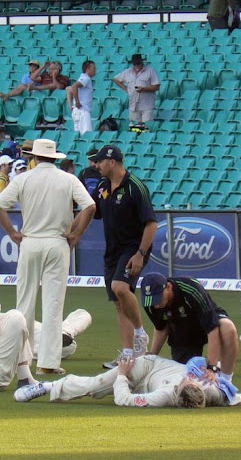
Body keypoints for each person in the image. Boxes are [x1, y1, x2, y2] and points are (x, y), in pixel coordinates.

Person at [0, 139, 96, 374]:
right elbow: (90, 207)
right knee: (53, 305)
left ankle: (22, 361)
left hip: (30, 241)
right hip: (57, 242)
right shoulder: (68, 179)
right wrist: (76, 234)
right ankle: (48, 364)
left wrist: (12, 232)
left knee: (24, 303)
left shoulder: (23, 178)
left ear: (34, 157)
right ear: (55, 157)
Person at [89, 145, 157, 368]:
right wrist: (74, 231)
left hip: (133, 249)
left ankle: (140, 333)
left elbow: (151, 223)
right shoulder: (102, 186)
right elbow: (91, 211)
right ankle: (129, 353)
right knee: (119, 303)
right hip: (112, 251)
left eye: (99, 161)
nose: (96, 165)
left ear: (112, 162)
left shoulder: (135, 187)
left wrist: (140, 254)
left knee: (120, 287)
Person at [14, 354, 241, 407]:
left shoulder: (163, 397)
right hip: (147, 366)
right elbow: (237, 398)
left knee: (99, 391)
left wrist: (123, 376)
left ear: (178, 393)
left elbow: (123, 399)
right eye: (192, 381)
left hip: (135, 377)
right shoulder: (210, 391)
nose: (188, 379)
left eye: (186, 382)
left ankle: (46, 386)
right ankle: (42, 387)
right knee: (96, 385)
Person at [140, 272, 239, 382]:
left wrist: (211, 368)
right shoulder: (150, 303)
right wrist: (153, 356)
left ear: (168, 287)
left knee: (228, 328)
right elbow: (161, 327)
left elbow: (212, 327)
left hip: (206, 319)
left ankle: (225, 380)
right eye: (152, 300)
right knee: (185, 378)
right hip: (182, 330)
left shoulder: (191, 289)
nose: (156, 305)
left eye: (158, 298)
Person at [0, 297, 92, 361]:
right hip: (19, 343)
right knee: (70, 347)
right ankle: (61, 334)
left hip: (22, 328)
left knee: (83, 314)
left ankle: (64, 333)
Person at [113, 54, 161, 129]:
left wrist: (144, 89)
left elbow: (157, 86)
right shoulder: (128, 72)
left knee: (146, 127)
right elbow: (116, 79)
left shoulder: (150, 71)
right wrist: (126, 89)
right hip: (133, 106)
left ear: (142, 63)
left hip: (146, 105)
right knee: (135, 128)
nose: (136, 65)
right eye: (135, 64)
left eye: (138, 63)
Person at [67, 60, 96, 136]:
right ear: (88, 69)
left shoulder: (81, 77)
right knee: (86, 135)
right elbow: (74, 86)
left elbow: (69, 89)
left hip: (77, 111)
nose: (95, 69)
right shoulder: (86, 78)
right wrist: (77, 102)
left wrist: (71, 106)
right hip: (83, 110)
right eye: (93, 67)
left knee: (78, 135)